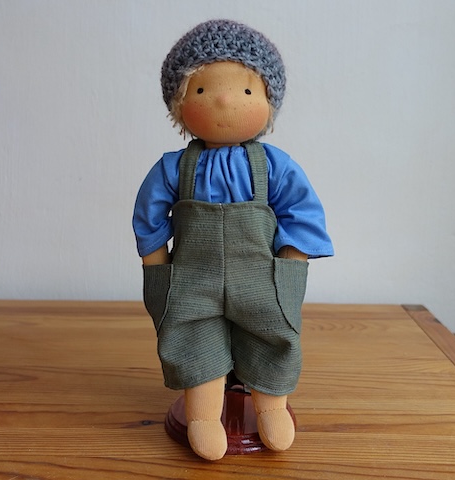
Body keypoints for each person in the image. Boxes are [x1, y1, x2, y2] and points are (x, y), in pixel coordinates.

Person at [133, 19, 333, 460]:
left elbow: (302, 210)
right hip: (192, 279)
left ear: (268, 101)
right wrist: (156, 264)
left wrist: (292, 260)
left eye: (245, 90)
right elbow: (149, 213)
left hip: (262, 279)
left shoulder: (274, 166)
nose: (224, 99)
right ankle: (204, 417)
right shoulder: (174, 168)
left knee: (271, 335)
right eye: (203, 90)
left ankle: (271, 408)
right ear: (179, 101)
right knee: (192, 338)